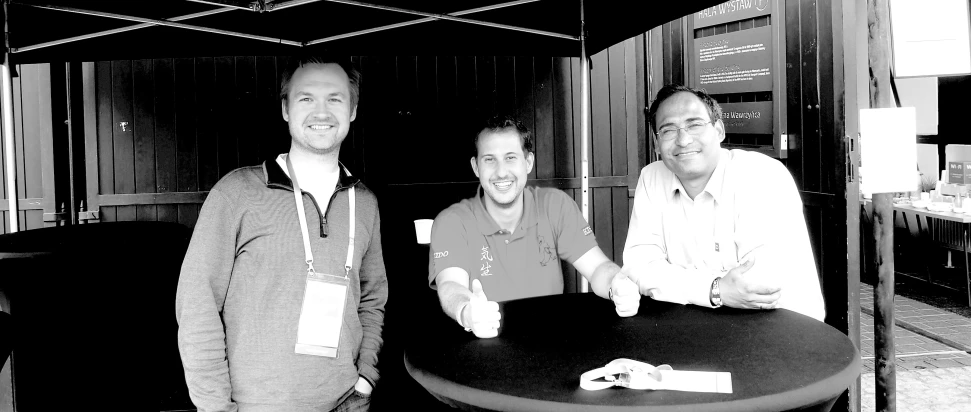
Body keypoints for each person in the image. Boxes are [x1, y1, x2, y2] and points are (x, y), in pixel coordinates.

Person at [176, 55, 387, 411]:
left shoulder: (364, 203)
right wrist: (215, 407)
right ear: (286, 109)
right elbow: (197, 305)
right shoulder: (236, 194)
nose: (321, 113)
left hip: (348, 402)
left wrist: (365, 376)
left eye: (334, 98)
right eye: (306, 98)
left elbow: (372, 298)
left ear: (352, 110)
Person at [622, 84, 825, 322]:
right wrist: (715, 289)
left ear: (719, 130)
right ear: (657, 144)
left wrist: (676, 282)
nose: (683, 140)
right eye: (668, 130)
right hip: (694, 330)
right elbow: (638, 267)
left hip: (782, 329)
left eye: (694, 124)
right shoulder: (652, 178)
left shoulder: (761, 175)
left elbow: (758, 286)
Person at [428, 115, 640, 338]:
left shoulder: (554, 205)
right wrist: (467, 311)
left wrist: (616, 285)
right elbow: (450, 286)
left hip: (549, 343)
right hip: (482, 346)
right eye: (489, 159)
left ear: (528, 162)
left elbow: (597, 268)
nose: (501, 172)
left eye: (510, 158)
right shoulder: (452, 220)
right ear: (475, 167)